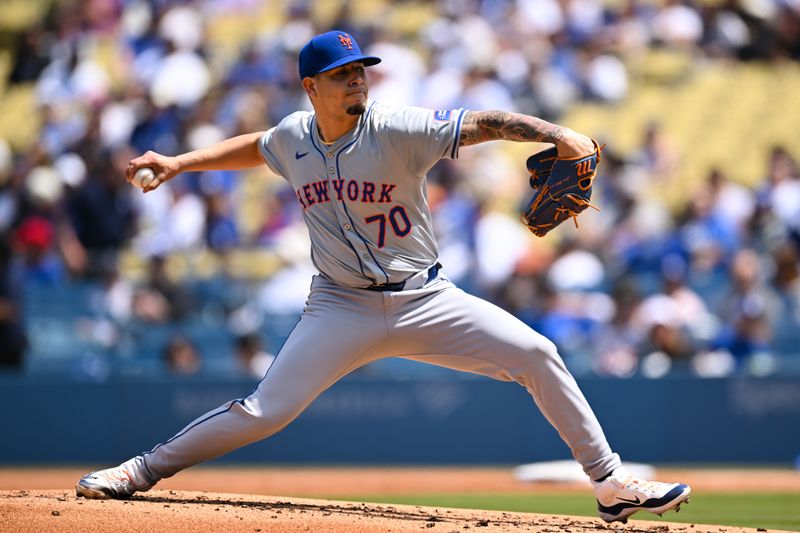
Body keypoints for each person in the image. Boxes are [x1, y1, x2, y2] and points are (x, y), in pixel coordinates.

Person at [76, 30, 690, 524]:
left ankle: (610, 485)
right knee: (266, 411)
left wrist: (558, 134)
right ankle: (139, 471)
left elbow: (485, 124)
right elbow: (256, 145)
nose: (357, 80)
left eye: (361, 70)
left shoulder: (397, 128)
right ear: (311, 86)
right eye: (344, 74)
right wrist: (180, 163)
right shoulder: (294, 136)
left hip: (426, 298)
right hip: (338, 308)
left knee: (537, 352)